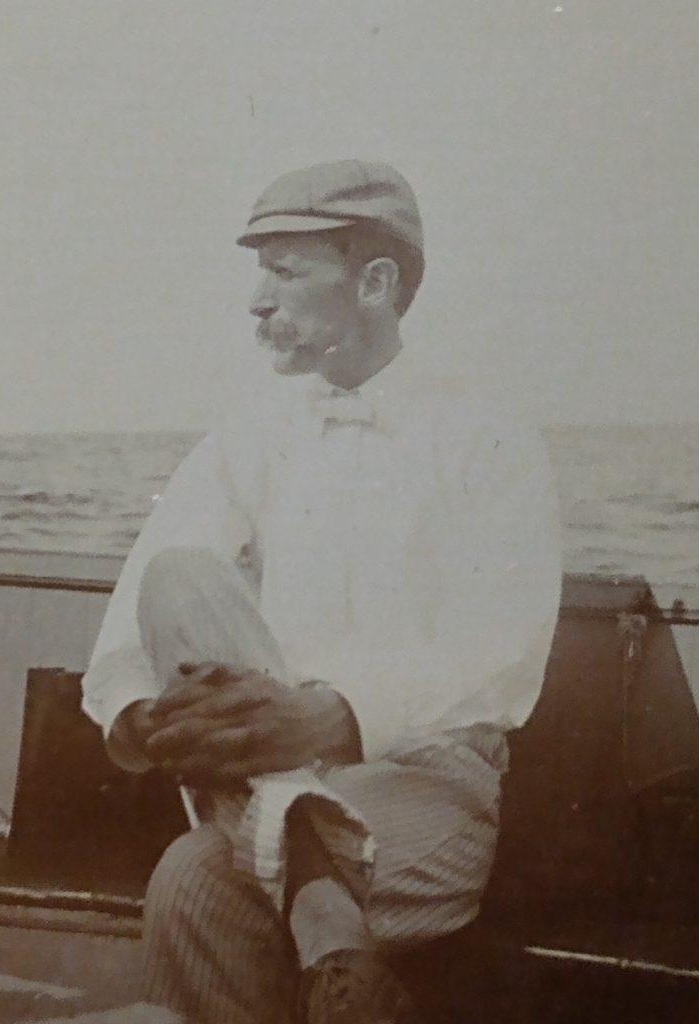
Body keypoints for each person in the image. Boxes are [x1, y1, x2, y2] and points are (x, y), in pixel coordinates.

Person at [76, 160, 563, 1024]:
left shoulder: (491, 440)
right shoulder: (249, 436)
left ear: (375, 282)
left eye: (286, 271)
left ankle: (308, 878)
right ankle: (320, 908)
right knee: (180, 573)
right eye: (259, 271)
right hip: (260, 762)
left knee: (192, 875)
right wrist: (151, 717)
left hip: (426, 784)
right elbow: (127, 633)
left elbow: (500, 659)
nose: (257, 301)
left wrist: (334, 714)